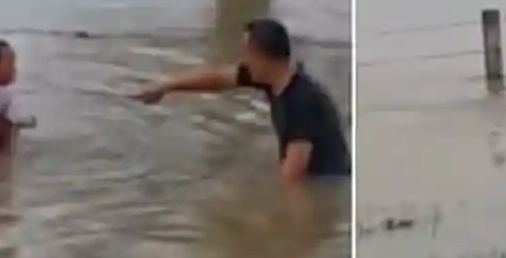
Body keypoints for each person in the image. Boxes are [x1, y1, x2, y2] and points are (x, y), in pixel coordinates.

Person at [131, 18, 351, 183]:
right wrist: (165, 87)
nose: (243, 61)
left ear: (263, 59)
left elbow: (293, 176)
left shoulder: (300, 101)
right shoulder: (274, 77)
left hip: (327, 182)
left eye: (248, 54)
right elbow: (218, 78)